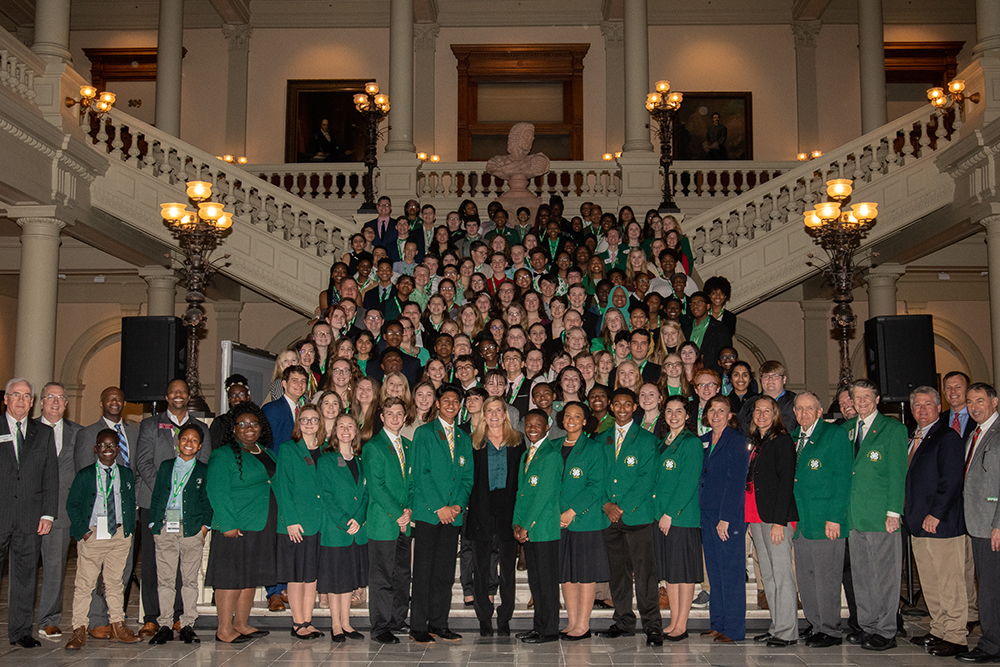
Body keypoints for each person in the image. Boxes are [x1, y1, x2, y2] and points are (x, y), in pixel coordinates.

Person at [134, 379, 210, 637]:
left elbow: (205, 462)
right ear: (166, 396)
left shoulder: (200, 428)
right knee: (154, 565)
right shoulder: (150, 424)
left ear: (189, 396)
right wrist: (166, 490)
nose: (178, 395)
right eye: (173, 391)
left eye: (183, 391)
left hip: (188, 509)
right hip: (155, 503)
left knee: (185, 570)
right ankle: (153, 617)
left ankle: (181, 617)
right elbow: (143, 462)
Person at [842, 379, 907, 651]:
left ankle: (886, 629)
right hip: (854, 517)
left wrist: (894, 512)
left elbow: (898, 474)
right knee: (862, 576)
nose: (862, 401)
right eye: (857, 397)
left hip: (882, 516)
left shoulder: (893, 429)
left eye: (867, 396)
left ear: (877, 399)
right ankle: (867, 626)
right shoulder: (845, 430)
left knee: (885, 577)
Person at [902, 386, 967, 657]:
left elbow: (951, 480)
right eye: (917, 405)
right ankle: (938, 628)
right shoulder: (913, 437)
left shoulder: (947, 437)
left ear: (938, 408)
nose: (922, 410)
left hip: (942, 524)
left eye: (928, 405)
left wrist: (936, 514)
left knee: (949, 581)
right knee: (929, 581)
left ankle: (956, 636)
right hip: (918, 523)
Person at [595, 388, 663, 646]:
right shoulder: (600, 440)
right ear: (611, 407)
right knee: (618, 574)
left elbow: (648, 478)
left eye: (627, 404)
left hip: (637, 517)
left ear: (635, 407)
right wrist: (605, 504)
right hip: (609, 519)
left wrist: (620, 506)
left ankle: (653, 626)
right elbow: (597, 476)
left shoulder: (647, 440)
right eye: (617, 404)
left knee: (645, 574)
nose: (622, 408)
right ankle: (623, 621)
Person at [63, 428, 140, 649]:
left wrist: (128, 530)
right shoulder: (85, 474)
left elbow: (129, 501)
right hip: (94, 534)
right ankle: (79, 629)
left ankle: (117, 625)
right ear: (96, 449)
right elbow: (73, 505)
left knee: (115, 583)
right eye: (103, 445)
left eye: (112, 445)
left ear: (118, 450)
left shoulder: (125, 474)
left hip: (118, 534)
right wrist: (83, 531)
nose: (107, 449)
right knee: (85, 584)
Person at [205, 403, 276, 644]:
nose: (249, 428)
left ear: (261, 427)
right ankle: (224, 630)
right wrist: (227, 524)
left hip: (260, 524)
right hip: (235, 526)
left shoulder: (266, 451)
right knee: (230, 579)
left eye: (254, 424)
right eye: (242, 424)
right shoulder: (223, 454)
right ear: (233, 429)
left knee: (249, 579)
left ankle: (241, 623)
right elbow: (217, 490)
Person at [409, 384, 474, 644]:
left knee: (445, 573)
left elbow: (468, 477)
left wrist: (457, 506)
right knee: (423, 572)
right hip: (429, 513)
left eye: (455, 401)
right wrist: (440, 507)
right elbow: (421, 473)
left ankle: (439, 623)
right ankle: (418, 627)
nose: (450, 404)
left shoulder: (463, 438)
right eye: (445, 400)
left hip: (453, 515)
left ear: (460, 406)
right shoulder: (424, 433)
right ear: (437, 404)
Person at [790, 392, 853, 649]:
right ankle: (814, 623)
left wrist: (835, 517)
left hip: (826, 520)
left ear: (820, 411)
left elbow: (843, 479)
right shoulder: (794, 438)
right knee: (806, 577)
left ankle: (830, 629)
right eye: (799, 409)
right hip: (801, 521)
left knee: (826, 578)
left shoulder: (834, 436)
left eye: (809, 409)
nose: (803, 414)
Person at [146, 423, 212, 646]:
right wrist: (155, 525)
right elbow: (157, 496)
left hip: (191, 529)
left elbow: (207, 501)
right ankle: (165, 624)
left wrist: (204, 527)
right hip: (166, 528)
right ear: (177, 443)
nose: (189, 443)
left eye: (194, 441)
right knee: (165, 579)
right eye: (185, 439)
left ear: (200, 446)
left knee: (190, 580)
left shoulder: (203, 470)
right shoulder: (166, 467)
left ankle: (187, 624)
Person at [467, 396, 525, 637]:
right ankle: (484, 617)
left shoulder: (518, 442)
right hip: (481, 510)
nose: (493, 414)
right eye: (488, 410)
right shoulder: (473, 442)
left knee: (507, 571)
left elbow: (521, 481)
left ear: (505, 414)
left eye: (497, 410)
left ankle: (505, 617)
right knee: (481, 569)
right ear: (483, 414)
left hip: (509, 511)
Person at [745, 396, 798, 648]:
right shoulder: (759, 442)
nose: (762, 415)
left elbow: (786, 482)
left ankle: (787, 631)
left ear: (776, 414)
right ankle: (776, 625)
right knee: (768, 576)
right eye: (758, 410)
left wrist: (780, 522)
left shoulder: (782, 441)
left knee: (782, 575)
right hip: (757, 517)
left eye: (768, 411)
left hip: (777, 519)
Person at [556, 401, 609, 640]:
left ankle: (584, 624)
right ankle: (572, 621)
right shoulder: (553, 446)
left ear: (585, 421)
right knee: (566, 574)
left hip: (584, 520)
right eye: (568, 415)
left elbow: (596, 486)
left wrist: (571, 512)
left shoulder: (594, 448)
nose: (571, 419)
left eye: (577, 416)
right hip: (557, 521)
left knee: (584, 574)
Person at [699, 394, 750, 643]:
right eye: (712, 410)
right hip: (706, 513)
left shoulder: (737, 440)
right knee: (715, 570)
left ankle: (733, 628)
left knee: (730, 570)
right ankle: (718, 623)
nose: (716, 414)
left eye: (721, 410)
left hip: (727, 516)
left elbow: (736, 481)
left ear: (730, 416)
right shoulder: (704, 440)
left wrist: (726, 518)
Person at [652, 395, 703, 641]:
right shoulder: (662, 442)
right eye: (669, 411)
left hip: (680, 518)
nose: (673, 415)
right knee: (671, 574)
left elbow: (688, 483)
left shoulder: (690, 443)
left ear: (687, 415)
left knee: (682, 574)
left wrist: (670, 513)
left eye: (679, 411)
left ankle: (682, 624)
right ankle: (672, 621)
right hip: (661, 516)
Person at [274, 406, 327, 640]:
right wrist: (291, 521)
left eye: (313, 419)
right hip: (296, 523)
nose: (309, 423)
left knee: (311, 575)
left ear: (320, 423)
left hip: (319, 522)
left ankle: (308, 620)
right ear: (298, 423)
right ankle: (297, 623)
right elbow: (282, 487)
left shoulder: (326, 450)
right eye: (304, 420)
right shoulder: (288, 449)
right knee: (296, 575)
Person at [34, 382, 82, 640]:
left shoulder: (78, 433)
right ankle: (18, 621)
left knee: (54, 567)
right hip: (27, 509)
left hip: (61, 512)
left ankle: (48, 620)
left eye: (60, 398)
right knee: (23, 568)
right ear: (40, 402)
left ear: (66, 404)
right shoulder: (28, 430)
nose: (55, 402)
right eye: (50, 397)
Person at [363, 398, 413, 644]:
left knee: (402, 574)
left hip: (404, 522)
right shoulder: (374, 446)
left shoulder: (408, 445)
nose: (395, 417)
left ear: (405, 417)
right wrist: (399, 514)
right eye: (390, 413)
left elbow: (412, 484)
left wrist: (409, 511)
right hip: (384, 521)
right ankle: (380, 627)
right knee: (382, 576)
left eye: (399, 413)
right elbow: (377, 487)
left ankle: (397, 620)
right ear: (382, 417)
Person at [512, 409, 562, 644]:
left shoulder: (551, 455)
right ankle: (538, 626)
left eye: (538, 425)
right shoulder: (526, 455)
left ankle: (549, 630)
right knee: (535, 581)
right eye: (529, 424)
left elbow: (544, 495)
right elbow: (522, 494)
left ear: (547, 427)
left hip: (543, 529)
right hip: (528, 529)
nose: (532, 428)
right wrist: (516, 524)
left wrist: (527, 525)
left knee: (547, 582)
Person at [318, 415, 368, 643]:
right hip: (336, 529)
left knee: (348, 579)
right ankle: (335, 625)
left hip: (357, 531)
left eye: (350, 426)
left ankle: (347, 623)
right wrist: (346, 520)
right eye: (341, 426)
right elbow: (325, 495)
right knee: (336, 581)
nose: (346, 430)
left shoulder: (360, 459)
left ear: (356, 431)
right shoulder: (326, 460)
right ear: (334, 431)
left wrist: (359, 518)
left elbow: (367, 493)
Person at [960, 382, 1000, 663]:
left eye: (980, 401)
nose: (974, 407)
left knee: (991, 589)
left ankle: (991, 645)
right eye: (970, 402)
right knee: (987, 585)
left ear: (994, 402)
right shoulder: (975, 433)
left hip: (992, 526)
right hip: (977, 523)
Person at [681, 292, 732, 375]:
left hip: (711, 375)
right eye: (692, 304)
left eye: (699, 303)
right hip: (687, 375)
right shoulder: (684, 329)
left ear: (708, 306)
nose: (695, 306)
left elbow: (724, 354)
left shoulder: (720, 329)